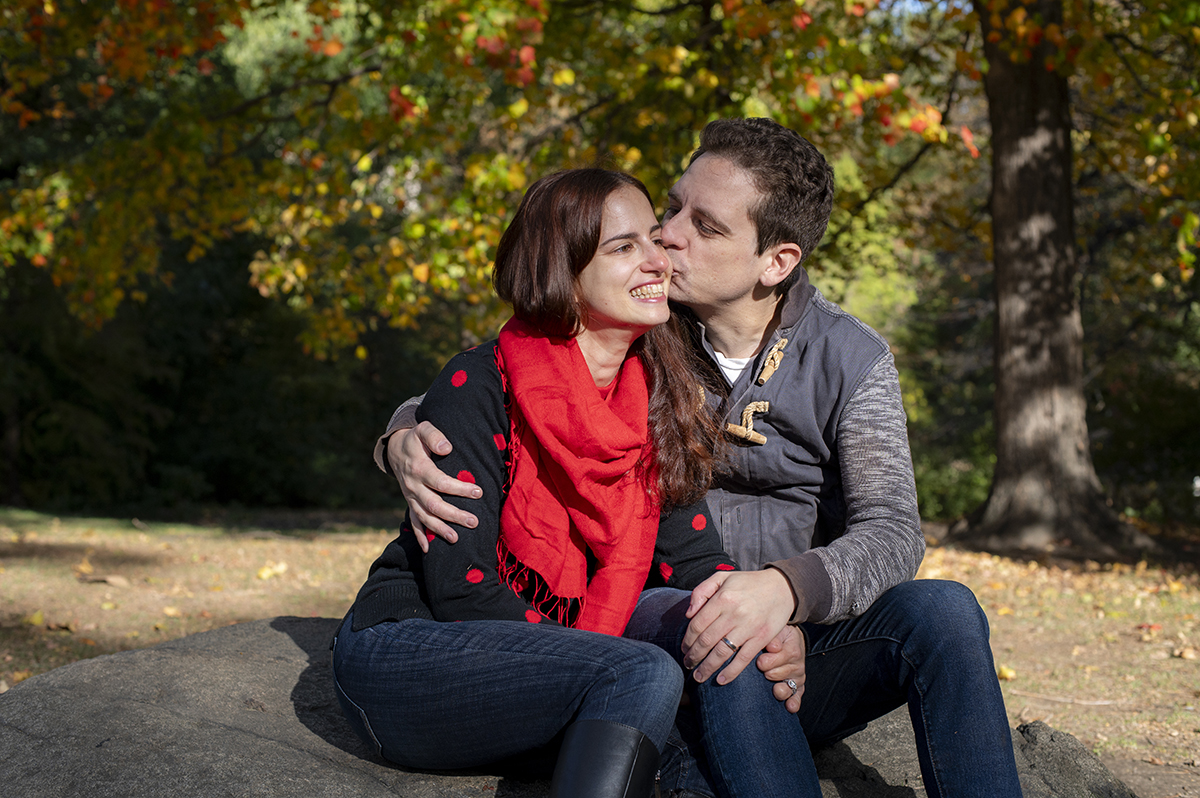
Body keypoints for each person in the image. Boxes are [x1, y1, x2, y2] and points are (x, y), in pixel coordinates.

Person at [382, 119, 1024, 798]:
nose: (668, 235)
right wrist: (401, 429)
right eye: (673, 206)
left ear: (776, 261)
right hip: (668, 625)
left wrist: (784, 592)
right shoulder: (647, 323)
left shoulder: (849, 357)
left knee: (946, 612)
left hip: (796, 646)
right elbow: (520, 377)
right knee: (716, 621)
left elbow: (894, 532)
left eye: (706, 227)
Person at [331, 168, 739, 798]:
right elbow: (463, 594)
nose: (659, 260)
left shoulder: (657, 400)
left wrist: (757, 620)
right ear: (563, 275)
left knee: (706, 703)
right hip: (412, 652)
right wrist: (595, 659)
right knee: (643, 674)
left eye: (654, 240)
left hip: (560, 663)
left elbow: (695, 561)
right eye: (624, 247)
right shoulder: (479, 386)